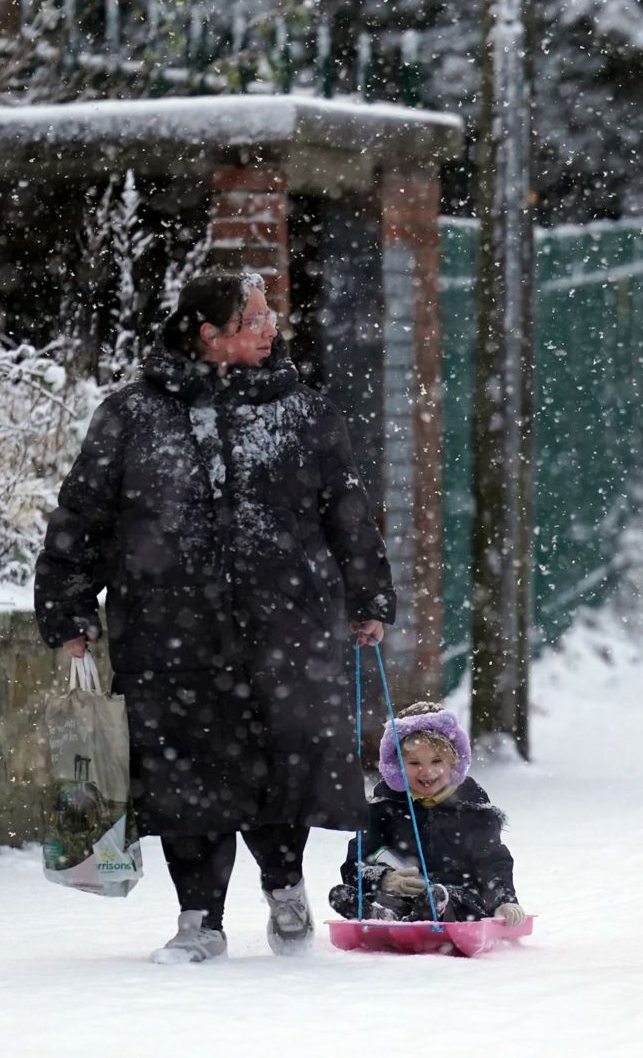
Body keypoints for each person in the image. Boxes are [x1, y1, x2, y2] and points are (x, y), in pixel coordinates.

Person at [35, 270, 396, 964]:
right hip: (170, 634)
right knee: (184, 777)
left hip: (286, 628)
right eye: (255, 318)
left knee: (282, 762)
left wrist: (367, 595)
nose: (272, 328)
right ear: (210, 334)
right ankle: (198, 917)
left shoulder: (304, 411)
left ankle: (285, 883)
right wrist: (69, 609)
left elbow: (346, 511)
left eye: (269, 317)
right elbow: (82, 518)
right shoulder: (131, 416)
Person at [330, 706, 524, 925]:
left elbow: (493, 863)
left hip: (461, 896)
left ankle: (426, 910)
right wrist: (385, 879)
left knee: (450, 898)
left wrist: (504, 900)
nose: (426, 772)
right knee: (367, 896)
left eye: (437, 761)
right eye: (414, 763)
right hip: (401, 894)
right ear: (398, 766)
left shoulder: (472, 810)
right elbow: (356, 863)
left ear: (453, 763)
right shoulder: (384, 808)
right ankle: (382, 915)